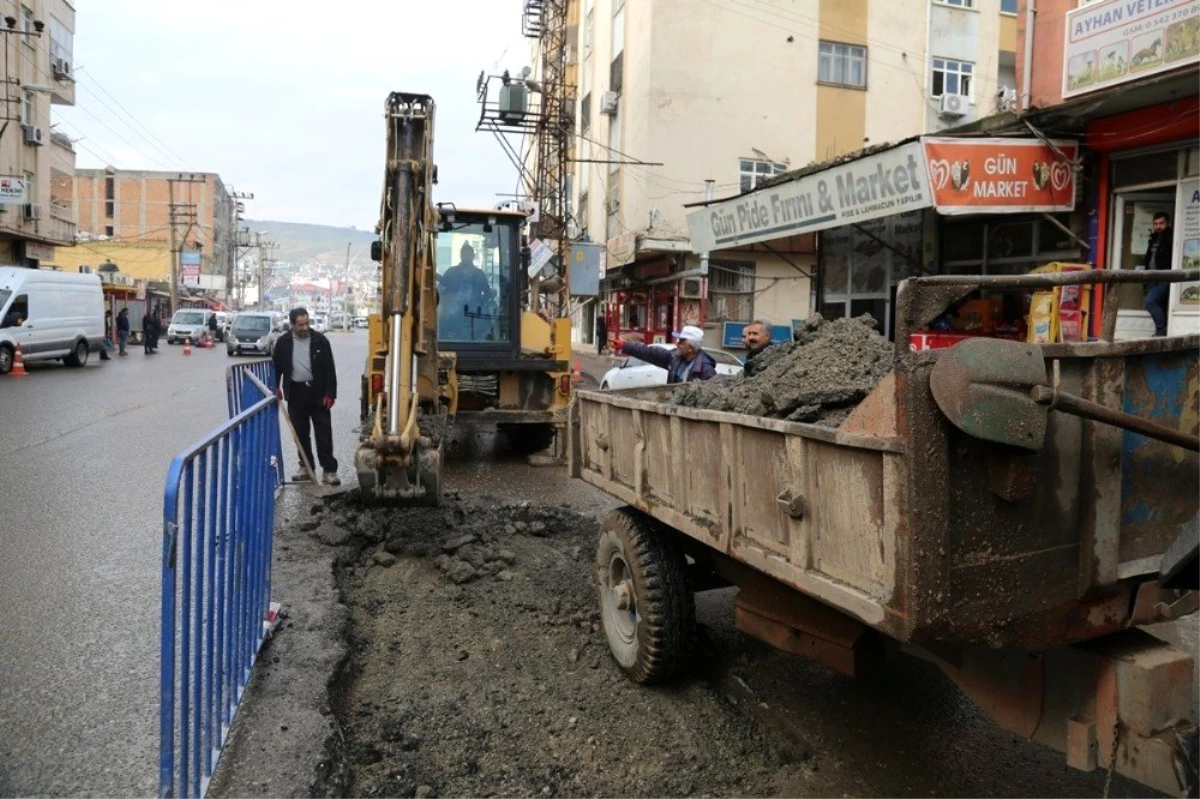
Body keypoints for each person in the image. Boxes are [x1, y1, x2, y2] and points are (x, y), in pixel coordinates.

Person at [272, 306, 340, 486]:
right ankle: (306, 466)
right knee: (300, 433)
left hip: (318, 394)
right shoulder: (283, 343)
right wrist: (275, 387)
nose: (304, 328)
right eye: (300, 325)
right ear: (292, 324)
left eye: (306, 323)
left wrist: (330, 394)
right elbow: (276, 368)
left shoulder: (320, 341)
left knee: (324, 433)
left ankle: (329, 470)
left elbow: (330, 370)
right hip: (296, 394)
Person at [614, 324, 718, 383]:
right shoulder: (674, 358)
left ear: (690, 348)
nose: (677, 345)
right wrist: (625, 345)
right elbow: (649, 352)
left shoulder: (706, 370)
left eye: (681, 342)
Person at [438, 242, 495, 339]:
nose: (466, 257)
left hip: (474, 311)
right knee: (443, 319)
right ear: (461, 256)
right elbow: (440, 290)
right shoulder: (451, 272)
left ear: (473, 256)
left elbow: (487, 293)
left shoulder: (479, 274)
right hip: (453, 310)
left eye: (469, 254)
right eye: (464, 254)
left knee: (488, 324)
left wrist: (490, 295)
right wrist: (447, 300)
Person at [1140, 212, 1174, 337]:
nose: (1158, 226)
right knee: (1157, 305)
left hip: (1165, 277)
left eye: (1161, 223)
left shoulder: (1172, 237)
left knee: (1150, 302)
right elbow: (1149, 257)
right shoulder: (1153, 237)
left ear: (1168, 223)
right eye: (1156, 224)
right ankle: (1161, 334)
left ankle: (1162, 330)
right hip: (1151, 277)